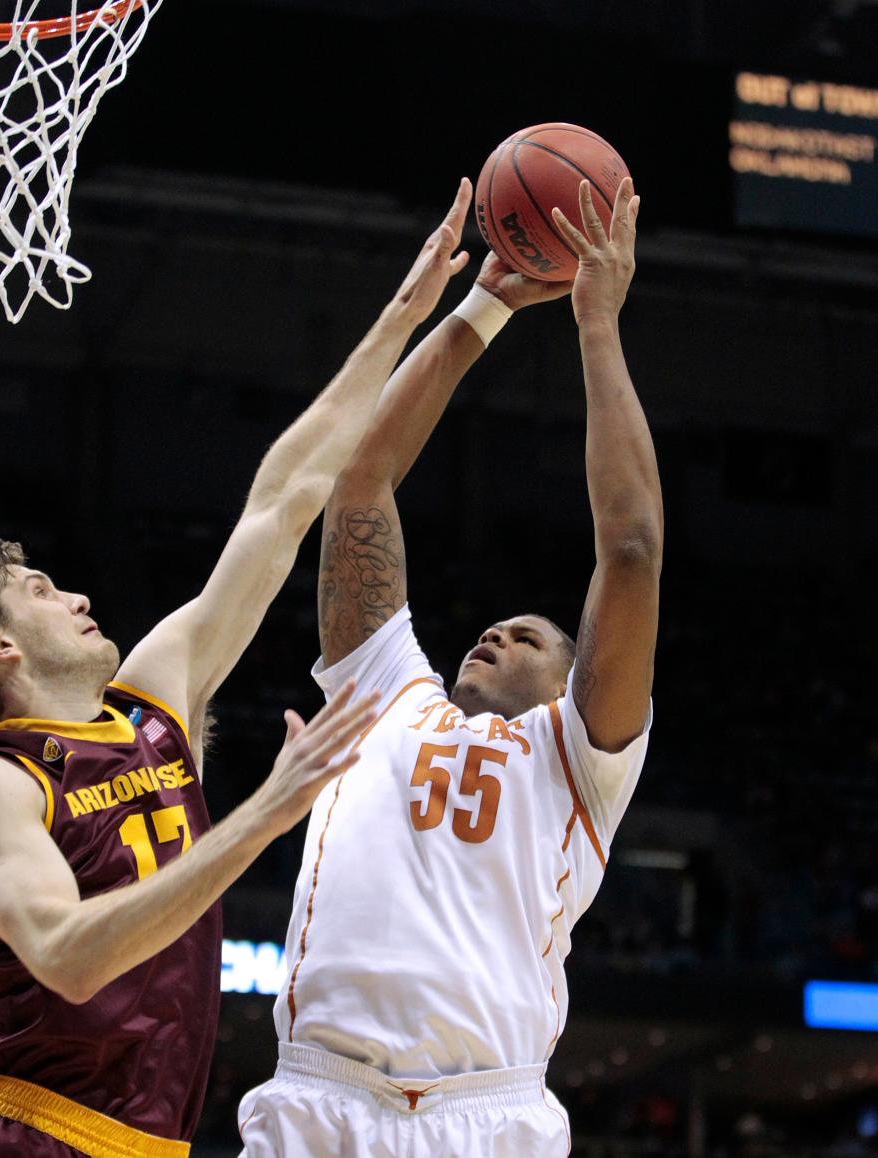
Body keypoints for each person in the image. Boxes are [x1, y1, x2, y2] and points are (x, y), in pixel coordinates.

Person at [0, 179, 475, 1158]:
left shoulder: (151, 703)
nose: (78, 596)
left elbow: (286, 498)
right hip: (26, 1139)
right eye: (42, 590)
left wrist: (408, 312)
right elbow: (68, 957)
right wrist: (268, 808)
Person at [238, 177, 662, 1157]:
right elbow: (359, 488)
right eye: (491, 629)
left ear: (576, 674)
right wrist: (487, 306)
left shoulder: (582, 760)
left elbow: (631, 549)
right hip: (320, 1101)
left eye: (530, 635)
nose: (496, 637)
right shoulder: (386, 695)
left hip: (490, 1112)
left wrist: (597, 322)